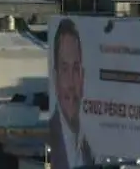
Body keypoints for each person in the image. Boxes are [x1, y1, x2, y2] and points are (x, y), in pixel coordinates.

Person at [50, 18, 95, 169]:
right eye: (64, 69)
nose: (71, 84)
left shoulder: (86, 148)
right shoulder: (48, 141)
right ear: (55, 78)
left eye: (76, 69)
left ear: (83, 77)